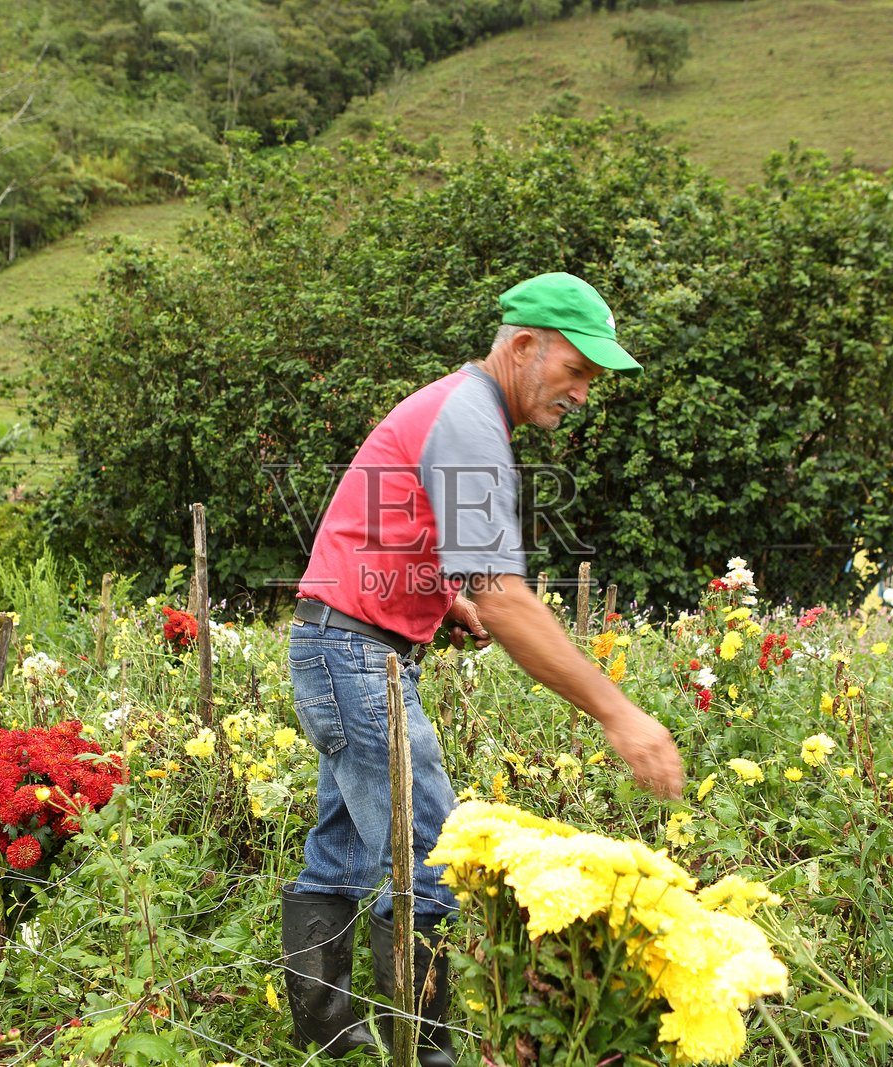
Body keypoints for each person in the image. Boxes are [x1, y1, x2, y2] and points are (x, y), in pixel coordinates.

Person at [280, 272, 685, 1063]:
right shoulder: (469, 420)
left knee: (344, 852)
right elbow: (505, 596)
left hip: (341, 643)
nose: (584, 394)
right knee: (439, 860)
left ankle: (326, 1038)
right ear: (526, 346)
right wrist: (618, 711)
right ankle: (422, 1055)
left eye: (594, 380)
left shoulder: (460, 408)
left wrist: (442, 598)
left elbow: (389, 527)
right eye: (577, 371)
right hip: (356, 657)